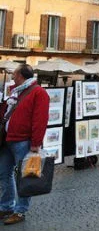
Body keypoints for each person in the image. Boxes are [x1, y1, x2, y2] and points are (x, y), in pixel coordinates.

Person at [0, 64, 50, 225]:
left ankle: (20, 211)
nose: (12, 76)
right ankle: (6, 206)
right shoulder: (15, 91)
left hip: (23, 141)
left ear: (21, 75)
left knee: (25, 177)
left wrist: (36, 143)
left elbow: (40, 119)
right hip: (7, 139)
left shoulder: (38, 92)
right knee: (3, 173)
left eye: (14, 73)